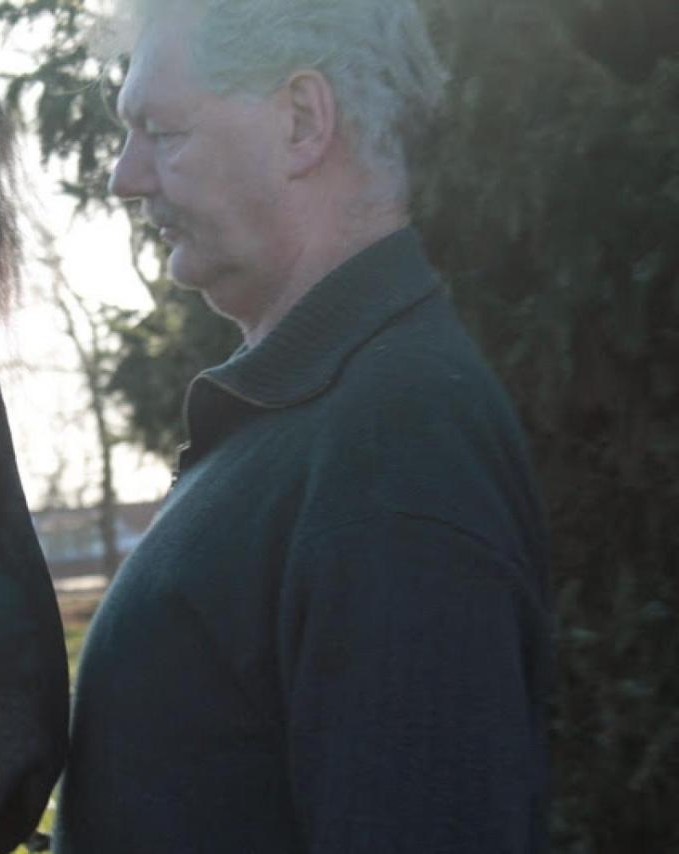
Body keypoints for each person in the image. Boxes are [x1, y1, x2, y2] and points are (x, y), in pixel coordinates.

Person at [53, 0, 552, 851]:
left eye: (160, 131)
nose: (123, 177)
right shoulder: (322, 421)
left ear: (301, 121)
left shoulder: (395, 445)